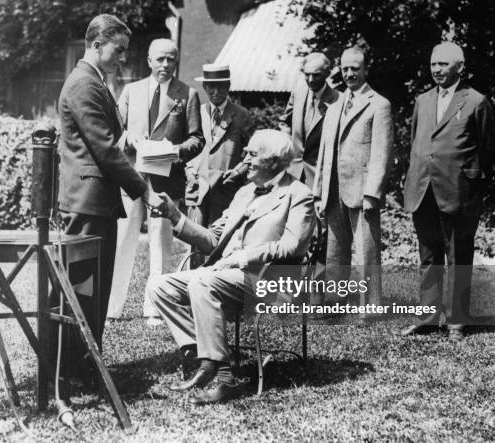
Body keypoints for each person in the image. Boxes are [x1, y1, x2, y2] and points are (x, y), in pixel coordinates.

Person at [147, 129, 315, 404]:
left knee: (202, 282)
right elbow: (214, 239)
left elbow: (293, 247)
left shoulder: (299, 194)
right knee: (159, 285)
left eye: (252, 154)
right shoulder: (244, 193)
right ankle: (203, 355)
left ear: (274, 162)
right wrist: (175, 216)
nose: (245, 160)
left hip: (270, 279)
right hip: (229, 277)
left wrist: (243, 256)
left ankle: (225, 377)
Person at [56, 14, 148, 359]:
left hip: (93, 203)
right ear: (97, 45)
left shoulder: (92, 81)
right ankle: (73, 367)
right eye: (118, 50)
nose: (123, 58)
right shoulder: (84, 84)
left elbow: (106, 141)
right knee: (82, 291)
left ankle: (83, 363)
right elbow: (105, 149)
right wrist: (142, 189)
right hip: (87, 204)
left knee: (92, 290)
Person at [107, 38, 204, 325]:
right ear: (149, 60)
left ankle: (155, 308)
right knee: (124, 240)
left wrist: (174, 151)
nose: (165, 65)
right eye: (160, 59)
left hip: (166, 180)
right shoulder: (131, 91)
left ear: (177, 61)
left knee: (161, 245)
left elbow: (198, 140)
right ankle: (113, 309)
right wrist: (131, 139)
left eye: (171, 59)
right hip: (132, 177)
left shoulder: (188, 94)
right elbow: (115, 132)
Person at [402, 42, 494, 339]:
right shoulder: (422, 100)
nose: (436, 69)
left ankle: (456, 320)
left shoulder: (476, 101)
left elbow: (487, 150)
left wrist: (473, 184)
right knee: (429, 255)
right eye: (433, 64)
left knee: (458, 255)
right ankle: (427, 317)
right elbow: (417, 141)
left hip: (458, 191)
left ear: (460, 67)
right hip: (423, 188)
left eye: (443, 64)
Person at [313, 47, 393, 306]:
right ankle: (336, 302)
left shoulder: (379, 105)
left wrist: (373, 192)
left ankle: (371, 307)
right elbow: (324, 151)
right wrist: (318, 191)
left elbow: (382, 153)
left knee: (366, 252)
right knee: (335, 250)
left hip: (362, 191)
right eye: (345, 69)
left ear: (365, 70)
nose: (349, 74)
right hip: (334, 190)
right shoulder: (335, 104)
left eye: (355, 69)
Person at [184, 64, 252, 267]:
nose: (216, 92)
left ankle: (217, 288)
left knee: (222, 242)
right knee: (195, 240)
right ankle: (192, 287)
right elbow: (188, 147)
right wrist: (188, 170)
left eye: (221, 87)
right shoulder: (198, 112)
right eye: (211, 87)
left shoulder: (241, 115)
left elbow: (253, 152)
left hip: (226, 191)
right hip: (197, 189)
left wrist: (238, 172)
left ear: (229, 86)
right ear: (204, 87)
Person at [279, 52, 340, 189]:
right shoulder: (297, 93)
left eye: (316, 75)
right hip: (292, 174)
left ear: (327, 73)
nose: (311, 80)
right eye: (307, 74)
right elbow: (284, 122)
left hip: (321, 178)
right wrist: (289, 144)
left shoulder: (338, 101)